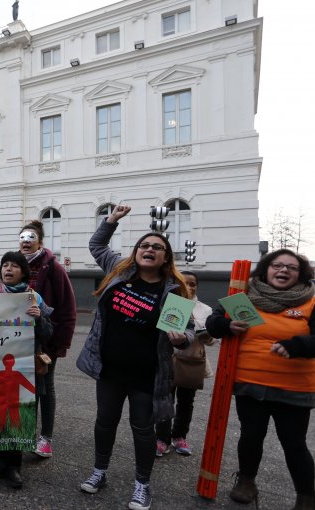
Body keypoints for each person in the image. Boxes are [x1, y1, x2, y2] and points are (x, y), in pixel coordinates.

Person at [75, 205, 192, 510]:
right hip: (110, 370)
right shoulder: (119, 270)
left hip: (146, 374)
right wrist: (110, 221)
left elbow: (187, 332)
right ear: (136, 252)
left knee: (142, 429)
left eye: (157, 247)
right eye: (144, 245)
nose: (149, 250)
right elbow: (96, 245)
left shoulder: (174, 291)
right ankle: (99, 472)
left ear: (165, 257)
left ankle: (142, 485)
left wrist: (182, 338)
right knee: (105, 422)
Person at [206, 249, 315, 510]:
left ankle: (307, 497)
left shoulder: (312, 305)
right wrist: (227, 326)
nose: (283, 270)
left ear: (301, 274)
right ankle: (246, 482)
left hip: (294, 389)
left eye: (291, 268)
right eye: (277, 265)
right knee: (251, 437)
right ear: (266, 269)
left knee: (294, 444)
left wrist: (298, 345)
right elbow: (212, 322)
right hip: (249, 385)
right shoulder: (243, 297)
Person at [0, 251, 54, 489]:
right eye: (5, 265)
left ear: (23, 272)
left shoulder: (33, 297)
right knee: (0, 411)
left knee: (19, 413)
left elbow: (48, 333)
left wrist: (39, 318)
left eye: (14, 266)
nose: (8, 269)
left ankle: (14, 466)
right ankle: (0, 460)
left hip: (24, 365)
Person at [17, 219, 76, 458]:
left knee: (45, 388)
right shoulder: (16, 265)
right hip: (19, 340)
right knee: (25, 389)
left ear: (40, 242)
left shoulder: (52, 268)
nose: (25, 242)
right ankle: (26, 433)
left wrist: (59, 345)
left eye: (30, 238)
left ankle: (46, 438)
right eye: (22, 238)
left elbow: (67, 308)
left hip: (46, 340)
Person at [155, 271, 217, 457]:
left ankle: (179, 436)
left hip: (191, 362)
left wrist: (204, 333)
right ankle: (162, 439)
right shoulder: (166, 303)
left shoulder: (205, 309)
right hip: (167, 360)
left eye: (192, 284)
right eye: (184, 283)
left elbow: (212, 340)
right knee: (165, 399)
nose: (188, 287)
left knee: (186, 402)